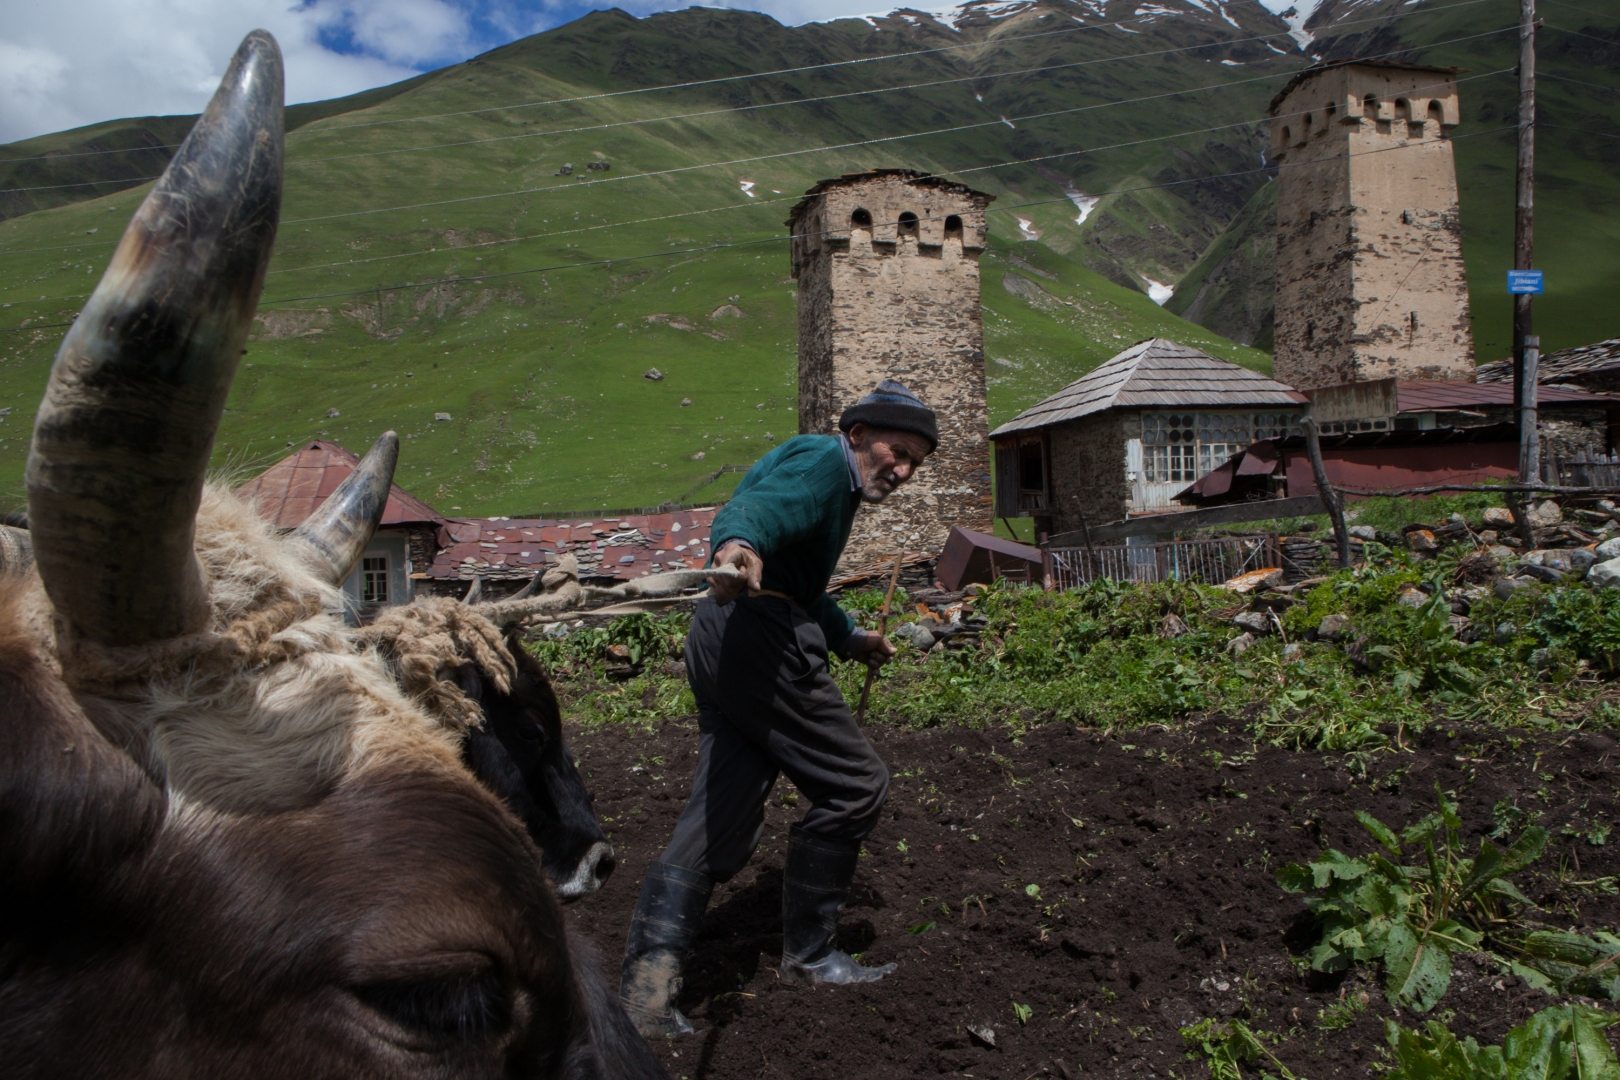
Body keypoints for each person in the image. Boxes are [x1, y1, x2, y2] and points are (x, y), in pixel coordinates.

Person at [619, 380, 938, 1037]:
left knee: (720, 813)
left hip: (723, 634)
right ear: (857, 435)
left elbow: (799, 585)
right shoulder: (826, 467)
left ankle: (646, 999)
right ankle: (812, 956)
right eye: (895, 450)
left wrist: (850, 638)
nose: (901, 469)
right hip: (761, 638)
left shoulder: (822, 470)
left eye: (914, 461)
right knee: (856, 785)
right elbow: (757, 514)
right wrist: (738, 548)